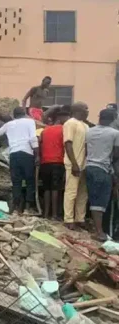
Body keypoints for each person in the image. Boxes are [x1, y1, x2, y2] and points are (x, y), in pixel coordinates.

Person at [0, 107, 40, 214]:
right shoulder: (30, 122)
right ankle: (28, 207)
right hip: (27, 154)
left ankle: (16, 208)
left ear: (14, 115)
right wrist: (37, 155)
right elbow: (33, 138)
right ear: (24, 113)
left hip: (13, 154)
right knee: (30, 181)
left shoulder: (9, 124)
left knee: (16, 182)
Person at [84, 109, 119, 241]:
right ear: (113, 118)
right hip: (103, 169)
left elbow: (86, 150)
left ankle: (98, 230)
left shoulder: (89, 131)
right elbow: (116, 154)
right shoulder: (115, 133)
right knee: (101, 201)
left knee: (93, 198)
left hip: (90, 167)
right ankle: (99, 232)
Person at [39, 106, 71, 220]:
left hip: (44, 162)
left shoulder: (45, 130)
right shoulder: (64, 130)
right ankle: (54, 215)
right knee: (56, 188)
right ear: (60, 118)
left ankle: (46, 214)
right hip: (57, 162)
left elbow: (40, 144)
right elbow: (67, 146)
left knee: (46, 188)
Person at [63, 102, 91, 230]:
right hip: (74, 164)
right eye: (85, 109)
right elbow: (68, 144)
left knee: (82, 194)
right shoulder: (70, 123)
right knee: (71, 192)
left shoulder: (86, 126)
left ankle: (80, 218)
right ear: (77, 110)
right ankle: (68, 219)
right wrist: (74, 164)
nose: (87, 111)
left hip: (85, 164)